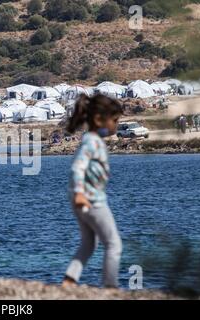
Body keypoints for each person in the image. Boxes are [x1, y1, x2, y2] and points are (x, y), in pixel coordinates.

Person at [62, 94, 123, 289]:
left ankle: (70, 280)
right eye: (114, 120)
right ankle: (110, 287)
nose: (116, 125)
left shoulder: (93, 141)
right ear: (98, 120)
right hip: (92, 200)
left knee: (89, 244)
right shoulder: (92, 142)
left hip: (82, 199)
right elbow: (77, 167)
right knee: (114, 244)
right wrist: (80, 193)